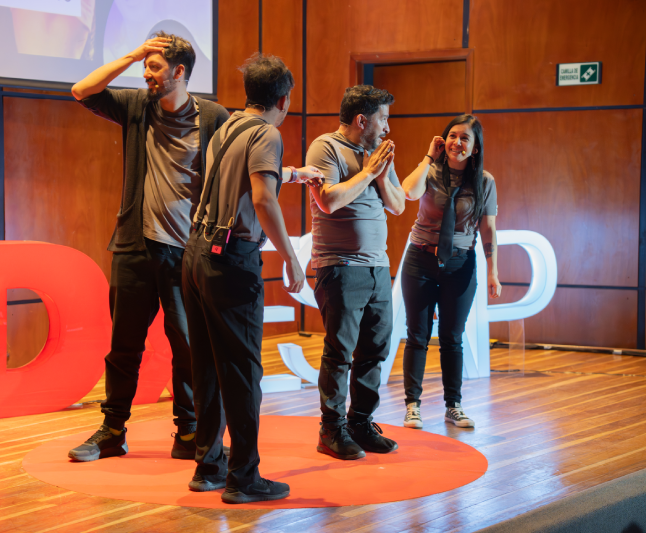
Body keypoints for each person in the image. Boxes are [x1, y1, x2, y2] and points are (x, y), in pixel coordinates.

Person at [66, 32, 231, 462]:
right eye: (145, 66)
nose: (146, 74)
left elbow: (229, 180)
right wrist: (134, 53)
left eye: (154, 67)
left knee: (188, 347)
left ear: (180, 71)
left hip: (187, 253)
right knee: (124, 346)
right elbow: (82, 90)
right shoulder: (138, 106)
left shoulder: (214, 117)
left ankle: (189, 432)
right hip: (135, 248)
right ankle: (112, 431)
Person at [182, 53, 322, 504]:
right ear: (284, 99)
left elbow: (240, 178)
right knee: (243, 370)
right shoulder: (268, 133)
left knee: (207, 366)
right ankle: (244, 477)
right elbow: (263, 199)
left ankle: (208, 467)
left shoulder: (227, 127)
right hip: (230, 260)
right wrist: (292, 259)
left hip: (196, 253)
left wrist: (294, 173)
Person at [306, 85, 405, 461]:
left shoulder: (378, 154)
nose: (387, 128)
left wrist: (380, 175)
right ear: (362, 120)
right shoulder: (325, 147)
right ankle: (331, 431)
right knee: (340, 351)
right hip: (341, 267)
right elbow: (328, 200)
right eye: (383, 119)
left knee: (375, 349)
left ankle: (361, 423)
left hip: (378, 266)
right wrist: (368, 173)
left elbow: (398, 205)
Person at [400, 114, 501, 430]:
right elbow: (408, 192)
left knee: (452, 337)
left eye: (464, 138)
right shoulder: (429, 172)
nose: (457, 142)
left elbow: (488, 228)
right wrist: (429, 156)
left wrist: (493, 272)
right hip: (420, 260)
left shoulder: (484, 182)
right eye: (452, 136)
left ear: (475, 148)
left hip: (460, 263)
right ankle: (412, 406)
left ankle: (453, 406)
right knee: (417, 335)